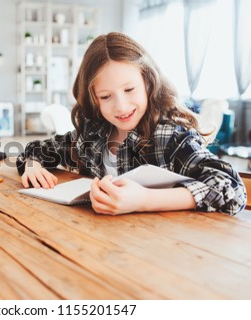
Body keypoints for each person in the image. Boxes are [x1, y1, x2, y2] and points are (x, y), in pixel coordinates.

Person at [16, 32, 246, 216]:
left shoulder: (169, 136)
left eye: (129, 89)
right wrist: (32, 164)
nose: (121, 106)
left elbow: (231, 189)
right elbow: (38, 149)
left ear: (148, 82)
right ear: (94, 99)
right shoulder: (93, 133)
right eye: (106, 96)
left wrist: (144, 199)